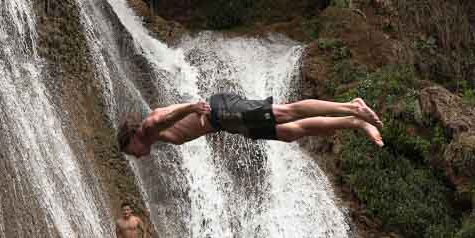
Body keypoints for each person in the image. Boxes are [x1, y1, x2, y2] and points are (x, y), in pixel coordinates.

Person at [117, 94, 385, 158]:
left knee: (284, 112)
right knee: (290, 133)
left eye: (132, 152)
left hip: (222, 113)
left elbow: (160, 119)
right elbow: (163, 116)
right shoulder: (152, 133)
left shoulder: (147, 129)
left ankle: (352, 107)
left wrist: (191, 107)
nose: (137, 157)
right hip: (224, 123)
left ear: (132, 139)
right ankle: (353, 121)